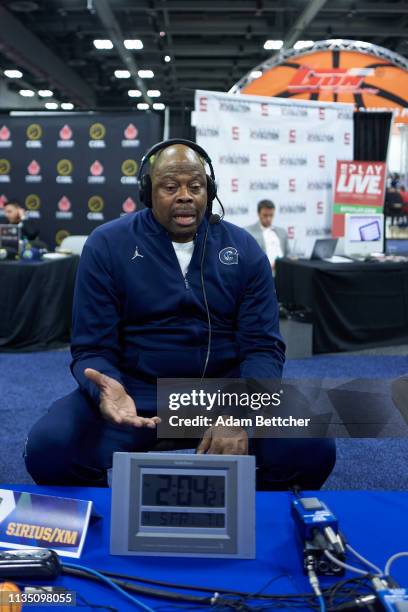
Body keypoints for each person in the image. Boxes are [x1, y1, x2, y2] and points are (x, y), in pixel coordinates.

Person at [25, 140, 335, 489]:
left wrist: (240, 413)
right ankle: (112, 517)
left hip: (227, 393)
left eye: (196, 186)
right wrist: (107, 392)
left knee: (313, 445)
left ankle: (245, 512)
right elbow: (91, 348)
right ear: (148, 192)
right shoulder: (107, 245)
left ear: (209, 190)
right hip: (135, 395)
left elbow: (262, 347)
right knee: (49, 448)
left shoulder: (243, 249)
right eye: (170, 187)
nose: (185, 196)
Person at [245, 200, 288, 271]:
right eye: (265, 215)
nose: (268, 219)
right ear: (258, 214)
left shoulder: (282, 232)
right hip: (261, 272)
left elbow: (288, 254)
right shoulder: (248, 232)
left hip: (283, 272)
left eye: (271, 215)